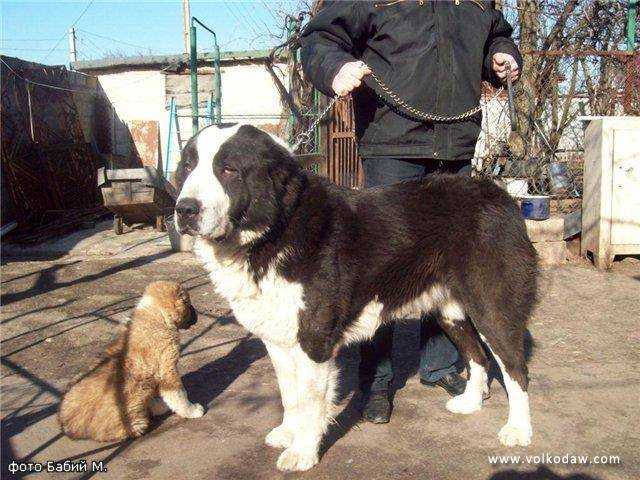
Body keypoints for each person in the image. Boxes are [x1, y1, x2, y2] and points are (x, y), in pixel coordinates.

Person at [300, 0, 522, 424]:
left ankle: (438, 365)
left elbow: (496, 31)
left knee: (449, 267)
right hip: (392, 141)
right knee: (380, 268)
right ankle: (377, 380)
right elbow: (321, 37)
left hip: (456, 142)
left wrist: (504, 54)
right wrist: (335, 67)